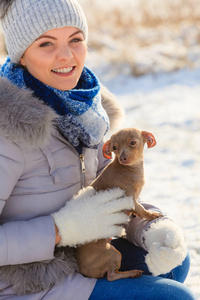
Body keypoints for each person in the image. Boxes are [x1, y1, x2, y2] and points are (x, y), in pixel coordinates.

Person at [0, 0, 196, 299]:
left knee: (172, 261)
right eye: (46, 43)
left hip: (78, 254)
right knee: (173, 296)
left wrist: (150, 228)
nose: (66, 55)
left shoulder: (86, 113)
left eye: (75, 39)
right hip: (25, 282)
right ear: (21, 56)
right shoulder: (7, 128)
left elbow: (114, 190)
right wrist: (59, 229)